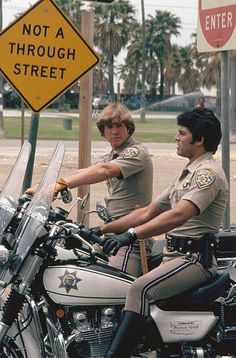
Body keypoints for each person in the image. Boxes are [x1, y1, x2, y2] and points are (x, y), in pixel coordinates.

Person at [97, 107, 228, 358]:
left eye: (182, 133)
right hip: (173, 256)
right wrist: (103, 229)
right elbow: (148, 212)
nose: (176, 138)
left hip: (194, 261)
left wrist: (132, 235)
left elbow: (177, 215)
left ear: (199, 140)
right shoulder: (185, 174)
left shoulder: (207, 175)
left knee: (139, 289)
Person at [26, 103, 153, 277]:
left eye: (119, 126)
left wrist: (61, 185)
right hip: (110, 235)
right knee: (78, 272)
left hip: (130, 240)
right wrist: (47, 186)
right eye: (109, 126)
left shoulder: (136, 153)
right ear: (103, 130)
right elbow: (85, 171)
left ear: (129, 128)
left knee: (113, 291)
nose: (114, 131)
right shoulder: (113, 154)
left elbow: (105, 171)